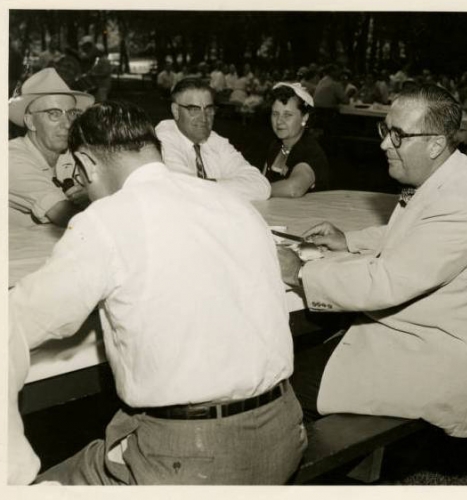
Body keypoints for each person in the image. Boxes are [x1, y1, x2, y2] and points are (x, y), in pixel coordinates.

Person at [8, 100, 306, 485]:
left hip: (196, 457)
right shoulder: (231, 203)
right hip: (283, 434)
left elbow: (20, 321)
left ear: (86, 163)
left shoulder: (105, 219)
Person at [277, 86, 467, 439]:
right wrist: (350, 240)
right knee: (301, 356)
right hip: (409, 340)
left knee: (282, 382)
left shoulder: (459, 203)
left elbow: (385, 282)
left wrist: (300, 272)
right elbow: (412, 235)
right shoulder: (447, 177)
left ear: (435, 144)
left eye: (397, 135)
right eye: (385, 130)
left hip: (430, 362)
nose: (384, 144)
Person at [155, 78, 270, 200]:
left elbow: (262, 187)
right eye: (194, 109)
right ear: (176, 111)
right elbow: (183, 189)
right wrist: (226, 185)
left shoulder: (215, 140)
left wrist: (205, 184)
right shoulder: (163, 138)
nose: (204, 118)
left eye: (209, 109)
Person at [8, 67, 94, 227]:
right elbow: (63, 214)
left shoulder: (77, 154)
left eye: (72, 113)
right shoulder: (10, 159)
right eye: (54, 114)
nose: (68, 124)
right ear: (30, 122)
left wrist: (92, 194)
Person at [263, 82, 330, 197]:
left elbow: (295, 188)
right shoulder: (277, 145)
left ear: (304, 117)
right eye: (275, 114)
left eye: (287, 115)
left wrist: (256, 190)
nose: (279, 121)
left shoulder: (310, 151)